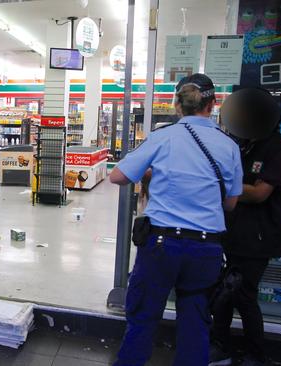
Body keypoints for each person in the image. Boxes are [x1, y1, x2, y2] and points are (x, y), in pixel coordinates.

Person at [110, 73, 243, 366]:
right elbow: (231, 203)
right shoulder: (229, 146)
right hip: (206, 249)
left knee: (143, 317)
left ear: (177, 105)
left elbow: (118, 176)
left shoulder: (163, 137)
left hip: (161, 244)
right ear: (213, 104)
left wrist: (156, 174)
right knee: (196, 322)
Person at [209, 91, 281, 366]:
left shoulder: (280, 150)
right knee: (223, 293)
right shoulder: (243, 143)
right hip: (232, 232)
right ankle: (220, 345)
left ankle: (254, 354)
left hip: (258, 236)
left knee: (243, 294)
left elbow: (260, 193)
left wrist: (220, 187)